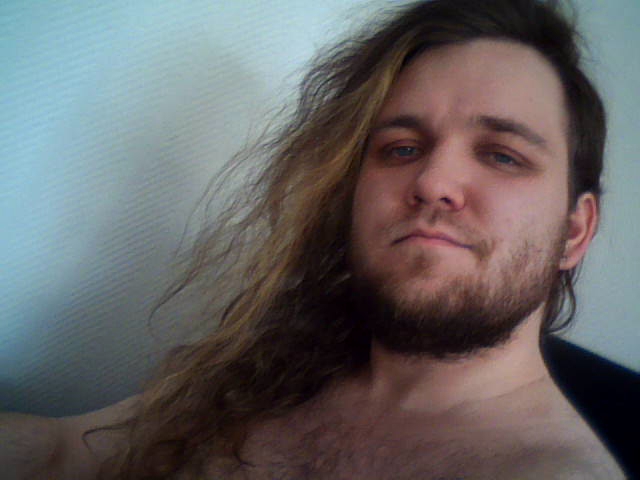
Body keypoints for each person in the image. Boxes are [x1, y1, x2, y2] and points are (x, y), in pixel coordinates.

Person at [0, 0, 627, 478]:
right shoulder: (270, 371)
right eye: (400, 148)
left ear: (574, 231)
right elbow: (59, 452)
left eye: (502, 155)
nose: (433, 181)